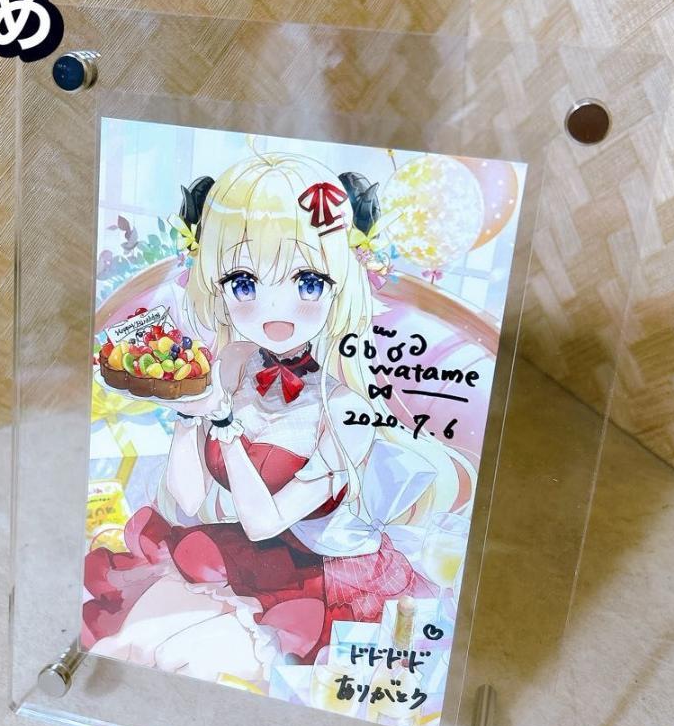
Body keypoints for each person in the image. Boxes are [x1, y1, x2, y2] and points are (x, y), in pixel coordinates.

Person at [84, 152, 468, 685]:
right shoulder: (234, 362)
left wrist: (222, 424)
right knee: (131, 638)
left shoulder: (348, 410)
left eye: (308, 282)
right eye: (243, 282)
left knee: (177, 656)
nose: (275, 311)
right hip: (246, 554)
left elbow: (265, 521)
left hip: (323, 579)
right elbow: (189, 499)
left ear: (342, 284)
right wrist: (188, 413)